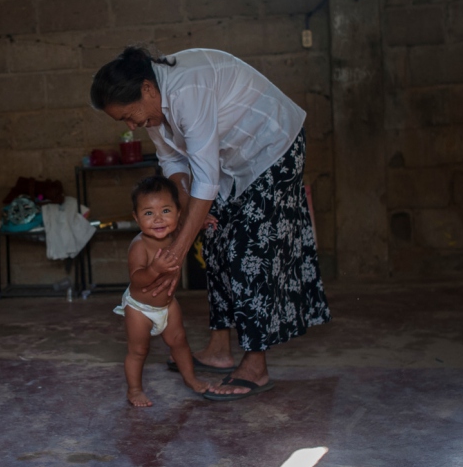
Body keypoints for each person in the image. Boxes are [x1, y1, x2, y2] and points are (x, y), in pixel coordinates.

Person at [92, 46, 331, 402]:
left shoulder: (187, 89)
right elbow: (171, 159)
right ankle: (220, 348)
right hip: (231, 161)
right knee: (215, 239)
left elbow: (205, 175)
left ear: (146, 89)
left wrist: (175, 252)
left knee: (251, 250)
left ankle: (256, 365)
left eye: (129, 116)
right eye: (123, 122)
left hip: (272, 146)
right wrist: (187, 209)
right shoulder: (154, 109)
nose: (131, 126)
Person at [113, 175, 212, 407]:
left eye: (165, 211)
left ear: (179, 213)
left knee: (180, 342)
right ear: (136, 218)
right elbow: (137, 280)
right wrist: (154, 269)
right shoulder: (139, 245)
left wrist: (200, 223)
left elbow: (189, 230)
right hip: (140, 309)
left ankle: (190, 379)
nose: (158, 219)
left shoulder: (176, 236)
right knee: (138, 351)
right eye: (148, 213)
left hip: (168, 305)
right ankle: (134, 390)